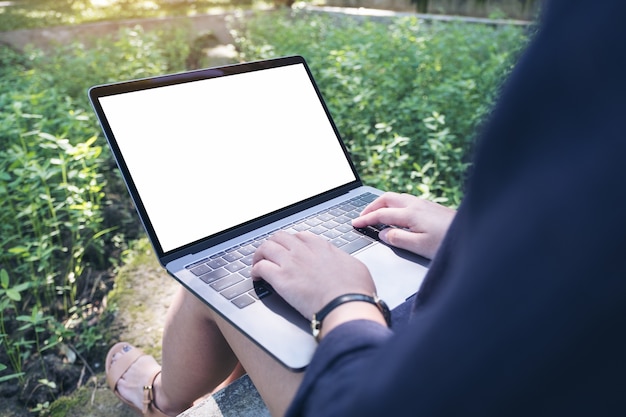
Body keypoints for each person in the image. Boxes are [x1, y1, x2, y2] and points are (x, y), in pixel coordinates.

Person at [106, 0, 626, 415]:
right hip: (443, 334)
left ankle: (160, 398)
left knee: (222, 267)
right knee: (249, 258)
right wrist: (471, 237)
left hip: (384, 373)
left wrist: (344, 302)